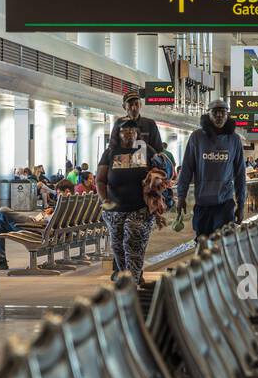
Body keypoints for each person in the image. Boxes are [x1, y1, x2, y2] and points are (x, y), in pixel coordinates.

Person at [97, 119, 163, 285]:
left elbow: (163, 170)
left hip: (140, 208)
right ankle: (130, 275)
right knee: (118, 247)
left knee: (132, 241)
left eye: (132, 130)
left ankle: (131, 283)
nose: (128, 133)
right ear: (118, 134)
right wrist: (104, 199)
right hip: (115, 209)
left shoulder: (146, 150)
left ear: (137, 133)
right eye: (124, 131)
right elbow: (100, 180)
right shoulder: (110, 153)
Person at [178, 98, 246, 238]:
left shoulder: (234, 140)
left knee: (223, 245)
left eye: (223, 112)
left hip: (225, 204)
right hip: (202, 203)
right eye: (215, 112)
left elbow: (240, 174)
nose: (219, 115)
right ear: (208, 114)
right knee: (203, 245)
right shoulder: (197, 137)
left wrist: (241, 204)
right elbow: (186, 169)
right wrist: (181, 196)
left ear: (227, 115)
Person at [0, 179, 76, 270]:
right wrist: (50, 213)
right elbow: (60, 219)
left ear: (67, 191)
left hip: (38, 228)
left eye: (59, 192)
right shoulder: (71, 202)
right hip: (43, 227)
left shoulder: (65, 202)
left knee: (4, 211)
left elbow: (54, 221)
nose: (57, 195)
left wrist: (45, 216)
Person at [109, 89, 165, 155]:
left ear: (140, 105)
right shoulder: (119, 123)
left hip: (147, 163)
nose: (134, 108)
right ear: (124, 107)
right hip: (124, 162)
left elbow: (158, 149)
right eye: (130, 105)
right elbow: (112, 147)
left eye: (136, 104)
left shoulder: (150, 124)